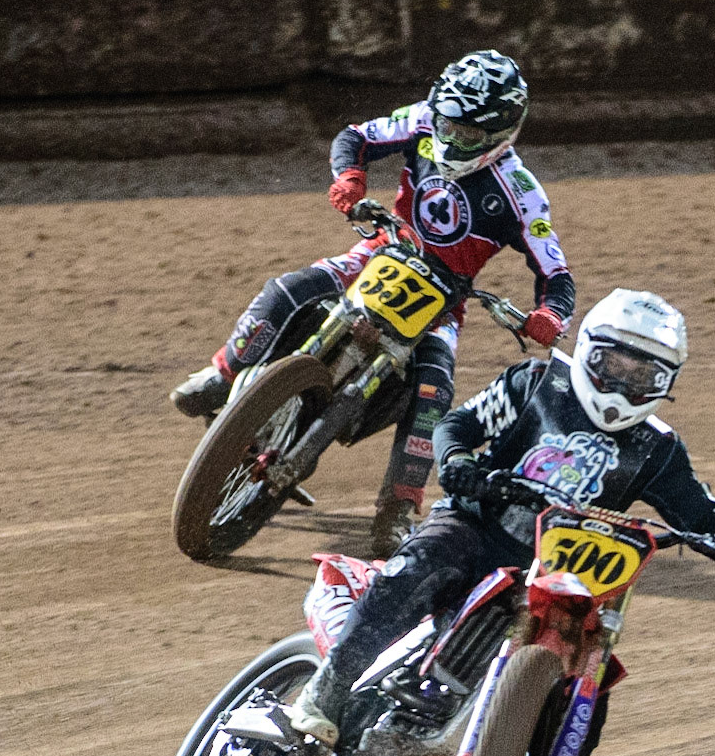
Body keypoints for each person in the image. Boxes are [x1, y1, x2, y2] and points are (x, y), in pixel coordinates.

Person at [288, 288, 715, 756]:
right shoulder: (537, 382)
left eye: (643, 374)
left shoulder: (659, 449)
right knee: (413, 571)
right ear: (588, 351)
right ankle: (325, 698)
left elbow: (699, 510)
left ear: (666, 381)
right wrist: (460, 460)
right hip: (476, 524)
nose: (623, 385)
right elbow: (461, 422)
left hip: (561, 577)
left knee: (589, 693)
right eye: (613, 364)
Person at [169, 50, 577, 557]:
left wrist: (548, 317)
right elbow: (355, 136)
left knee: (434, 392)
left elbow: (556, 274)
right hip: (381, 249)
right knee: (287, 290)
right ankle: (223, 374)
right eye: (447, 125)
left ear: (503, 132)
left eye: (467, 135)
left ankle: (399, 507)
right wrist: (350, 179)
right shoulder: (424, 119)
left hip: (445, 301)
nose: (450, 140)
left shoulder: (522, 194)